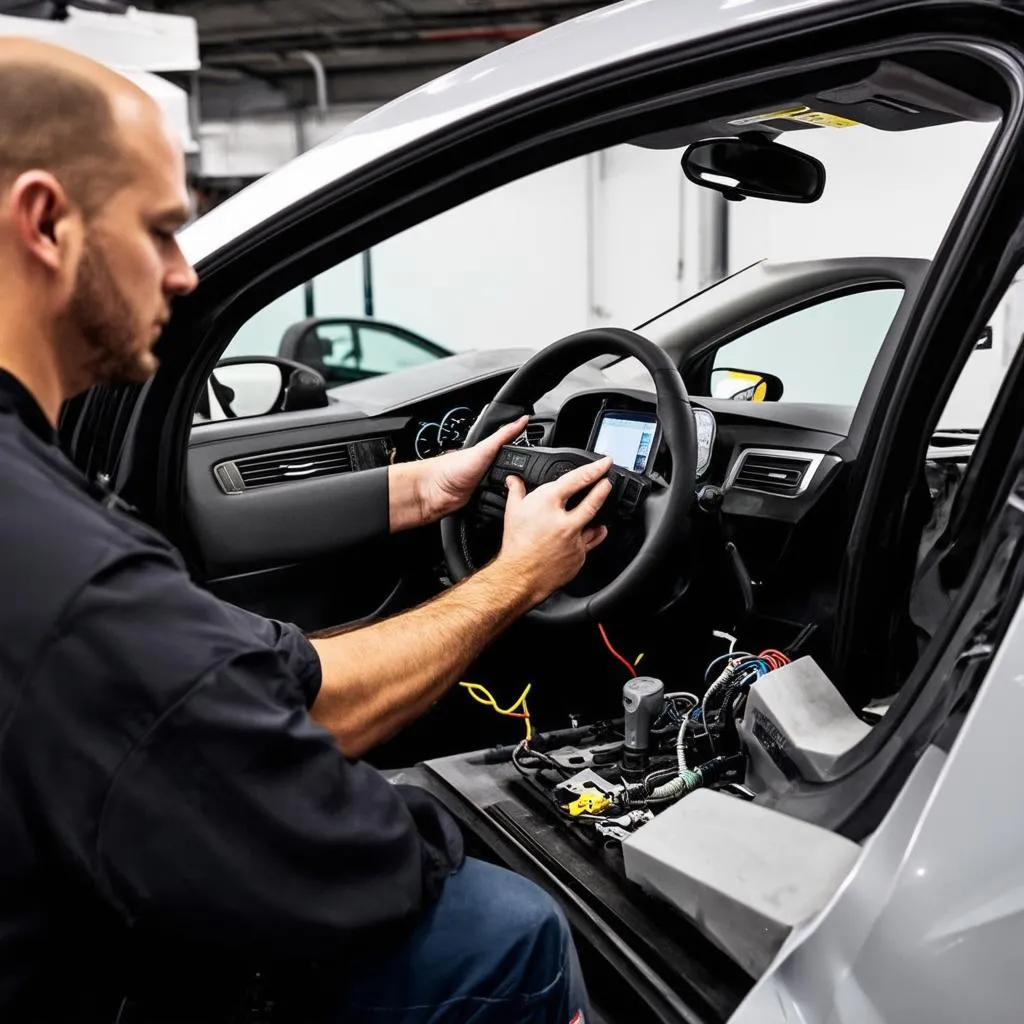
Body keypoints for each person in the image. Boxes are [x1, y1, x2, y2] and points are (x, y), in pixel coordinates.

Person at [0, 39, 613, 1024]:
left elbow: (231, 668)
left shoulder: (38, 496)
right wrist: (515, 578)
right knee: (505, 926)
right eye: (160, 230)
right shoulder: (63, 580)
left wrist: (419, 489)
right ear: (45, 223)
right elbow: (327, 848)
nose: (183, 275)